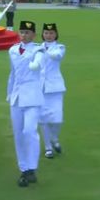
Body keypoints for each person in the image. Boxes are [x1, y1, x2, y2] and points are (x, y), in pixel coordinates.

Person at [7, 20, 44, 187]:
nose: (24, 35)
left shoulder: (38, 49)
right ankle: (24, 169)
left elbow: (38, 63)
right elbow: (13, 74)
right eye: (22, 32)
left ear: (34, 35)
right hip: (16, 96)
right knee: (18, 134)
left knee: (29, 131)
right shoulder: (13, 50)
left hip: (32, 96)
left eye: (28, 32)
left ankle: (32, 167)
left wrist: (34, 64)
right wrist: (9, 94)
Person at [38, 23, 66, 159]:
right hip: (40, 88)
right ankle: (48, 147)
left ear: (55, 34)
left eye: (51, 33)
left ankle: (54, 138)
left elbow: (57, 56)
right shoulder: (38, 48)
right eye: (46, 33)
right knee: (43, 119)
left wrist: (45, 51)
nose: (48, 35)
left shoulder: (60, 47)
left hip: (55, 87)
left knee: (57, 119)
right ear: (42, 34)